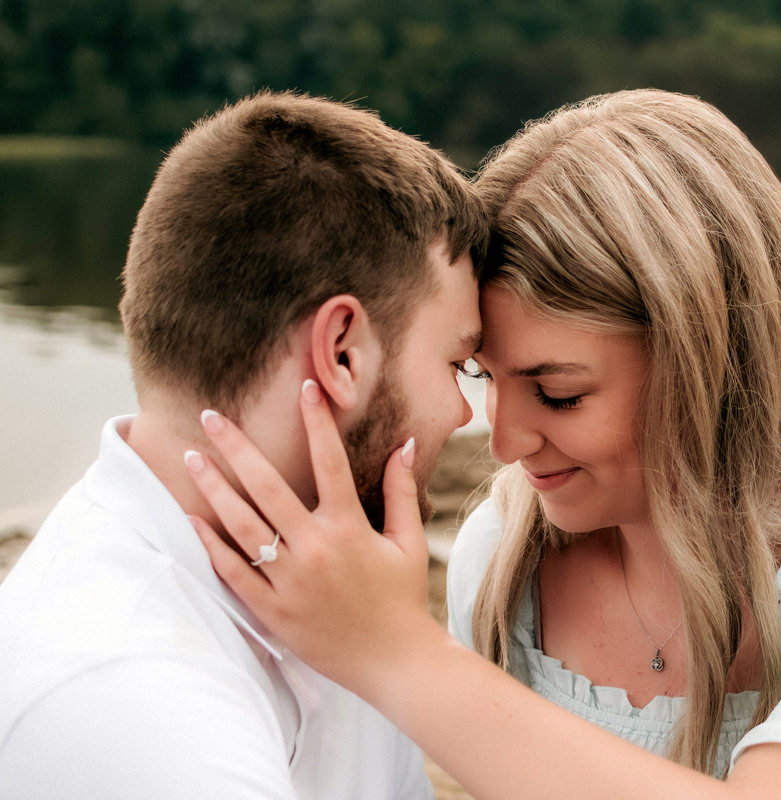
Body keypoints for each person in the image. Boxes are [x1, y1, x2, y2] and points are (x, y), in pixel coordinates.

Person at [187, 89, 781, 800]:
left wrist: (395, 652)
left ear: (708, 359)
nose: (505, 443)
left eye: (560, 392)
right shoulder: (505, 566)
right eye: (482, 377)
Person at [0, 90, 489, 798]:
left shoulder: (341, 592)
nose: (465, 415)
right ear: (343, 353)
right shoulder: (127, 700)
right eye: (458, 365)